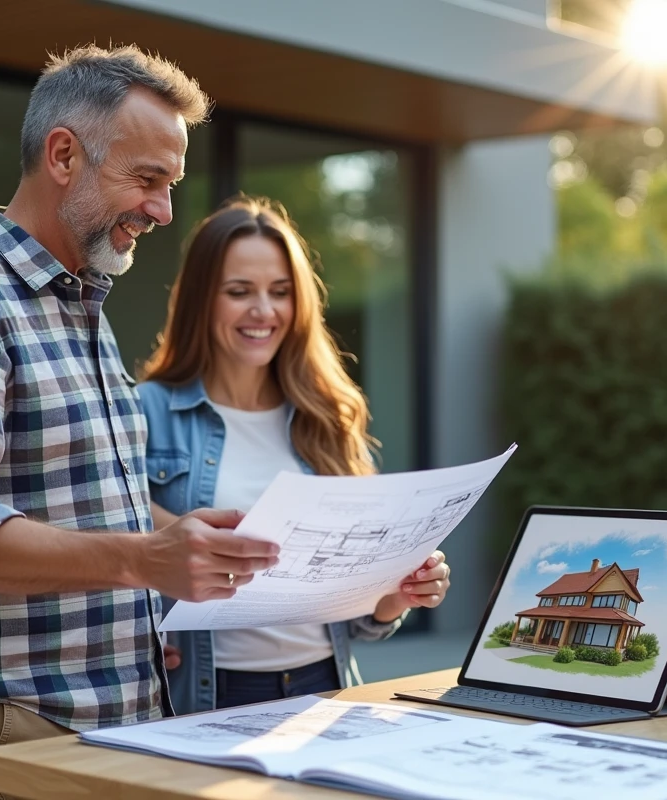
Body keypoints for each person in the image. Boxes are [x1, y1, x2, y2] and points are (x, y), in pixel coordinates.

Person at [0, 47, 280, 800]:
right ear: (64, 155)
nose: (162, 210)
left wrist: (195, 540)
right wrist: (144, 559)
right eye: (146, 180)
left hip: (118, 719)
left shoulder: (79, 308)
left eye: (170, 185)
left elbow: (93, 500)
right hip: (18, 722)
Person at [136, 196, 453, 713]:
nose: (264, 311)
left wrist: (399, 593)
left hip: (326, 688)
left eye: (280, 292)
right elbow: (114, 544)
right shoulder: (145, 411)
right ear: (201, 300)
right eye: (240, 292)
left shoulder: (327, 415)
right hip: (208, 692)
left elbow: (362, 621)